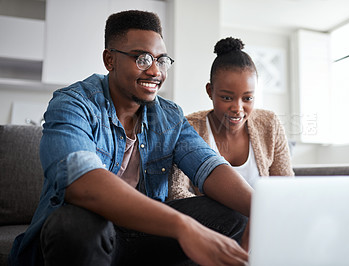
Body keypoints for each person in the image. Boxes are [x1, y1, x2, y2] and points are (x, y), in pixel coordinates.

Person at [8, 10, 253, 266]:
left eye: (161, 60)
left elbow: (208, 166)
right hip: (90, 234)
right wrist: (182, 226)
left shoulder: (169, 116)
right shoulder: (73, 104)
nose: (155, 71)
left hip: (140, 236)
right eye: (142, 59)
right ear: (110, 59)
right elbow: (81, 181)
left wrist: (262, 210)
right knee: (75, 224)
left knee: (235, 214)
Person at [168, 37, 294, 200]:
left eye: (247, 98)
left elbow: (286, 186)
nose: (238, 108)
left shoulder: (269, 123)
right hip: (210, 223)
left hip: (263, 220)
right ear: (210, 91)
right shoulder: (189, 127)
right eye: (227, 98)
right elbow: (176, 191)